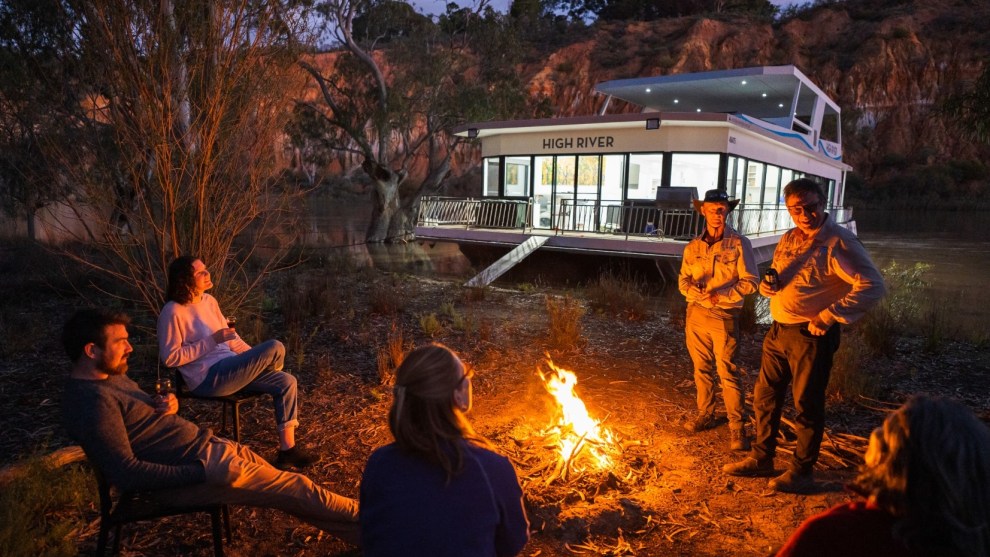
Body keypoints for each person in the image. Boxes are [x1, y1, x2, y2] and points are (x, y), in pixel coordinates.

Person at [61, 309, 359, 543]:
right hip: (198, 470)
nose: (130, 349)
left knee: (293, 493)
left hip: (208, 450)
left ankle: (376, 538)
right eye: (120, 342)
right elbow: (127, 473)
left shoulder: (108, 378)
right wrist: (201, 470)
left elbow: (140, 422)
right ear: (91, 350)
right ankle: (381, 517)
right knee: (298, 488)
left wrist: (168, 407)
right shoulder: (92, 402)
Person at [724, 178, 886, 493]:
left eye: (810, 207)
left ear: (822, 204)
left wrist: (828, 316)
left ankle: (801, 471)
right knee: (765, 396)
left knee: (807, 404)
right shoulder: (789, 238)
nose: (804, 214)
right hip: (778, 331)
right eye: (796, 209)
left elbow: (873, 285)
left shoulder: (840, 242)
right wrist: (769, 287)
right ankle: (762, 458)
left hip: (810, 336)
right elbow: (780, 276)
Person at [359, 344, 529, 557]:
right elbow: (513, 542)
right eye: (464, 377)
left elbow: (371, 534)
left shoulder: (379, 464)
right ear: (459, 395)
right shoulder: (492, 468)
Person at [774, 394, 990, 557]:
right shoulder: (973, 539)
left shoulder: (836, 535)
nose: (875, 433)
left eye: (887, 430)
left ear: (900, 464)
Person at [157, 255, 317, 469]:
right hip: (209, 377)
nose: (208, 274)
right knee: (274, 346)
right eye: (201, 273)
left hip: (232, 368)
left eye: (206, 269)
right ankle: (268, 366)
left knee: (286, 381)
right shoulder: (172, 311)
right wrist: (212, 341)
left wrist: (254, 360)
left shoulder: (210, 301)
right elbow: (170, 357)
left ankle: (287, 451)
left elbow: (231, 339)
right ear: (185, 281)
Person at [678, 189, 759, 451]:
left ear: (728, 211)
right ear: (703, 211)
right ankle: (706, 414)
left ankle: (738, 428)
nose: (717, 213)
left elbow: (751, 282)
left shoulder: (738, 243)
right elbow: (682, 281)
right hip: (695, 314)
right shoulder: (692, 246)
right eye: (712, 208)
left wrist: (720, 294)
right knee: (701, 369)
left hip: (723, 314)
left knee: (727, 370)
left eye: (722, 208)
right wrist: (691, 291)